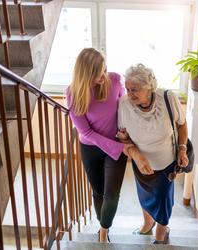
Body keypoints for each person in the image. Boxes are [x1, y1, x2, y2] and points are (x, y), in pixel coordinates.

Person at [66, 48, 145, 243]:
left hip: (117, 146)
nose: (104, 75)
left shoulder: (115, 80)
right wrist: (119, 148)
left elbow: (127, 109)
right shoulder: (73, 93)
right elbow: (86, 132)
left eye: (104, 69)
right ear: (86, 74)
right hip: (91, 148)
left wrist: (127, 137)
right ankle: (104, 226)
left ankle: (103, 232)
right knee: (98, 192)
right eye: (98, 72)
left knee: (112, 195)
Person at [117, 63, 189, 244]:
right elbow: (123, 137)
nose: (129, 93)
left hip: (166, 162)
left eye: (135, 89)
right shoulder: (124, 104)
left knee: (163, 198)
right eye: (127, 89)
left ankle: (161, 232)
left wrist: (182, 148)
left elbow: (181, 124)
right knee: (145, 195)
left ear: (149, 88)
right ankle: (148, 223)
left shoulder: (167, 98)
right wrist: (135, 154)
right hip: (140, 163)